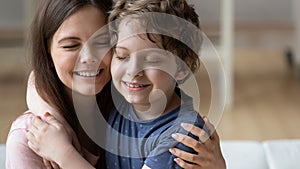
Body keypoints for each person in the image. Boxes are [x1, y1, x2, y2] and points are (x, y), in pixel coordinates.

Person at [25, 0, 226, 169]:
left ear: (183, 67)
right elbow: (38, 79)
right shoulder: (124, 96)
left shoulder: (181, 136)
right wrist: (51, 119)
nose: (132, 72)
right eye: (122, 55)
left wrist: (63, 153)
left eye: (152, 60)